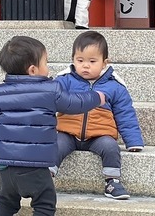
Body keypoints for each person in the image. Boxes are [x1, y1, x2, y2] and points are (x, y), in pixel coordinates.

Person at [0, 36, 105, 216]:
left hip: (5, 165)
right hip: (35, 164)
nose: (48, 67)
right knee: (44, 203)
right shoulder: (50, 90)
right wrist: (97, 97)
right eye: (46, 62)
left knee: (6, 201)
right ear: (33, 70)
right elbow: (74, 103)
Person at [52, 31, 144, 200]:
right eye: (80, 61)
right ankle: (45, 178)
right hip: (67, 132)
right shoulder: (64, 81)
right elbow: (49, 104)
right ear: (73, 59)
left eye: (92, 61)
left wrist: (133, 141)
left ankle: (112, 181)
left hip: (99, 135)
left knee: (110, 147)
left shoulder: (115, 86)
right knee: (55, 145)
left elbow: (125, 114)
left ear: (104, 63)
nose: (85, 66)